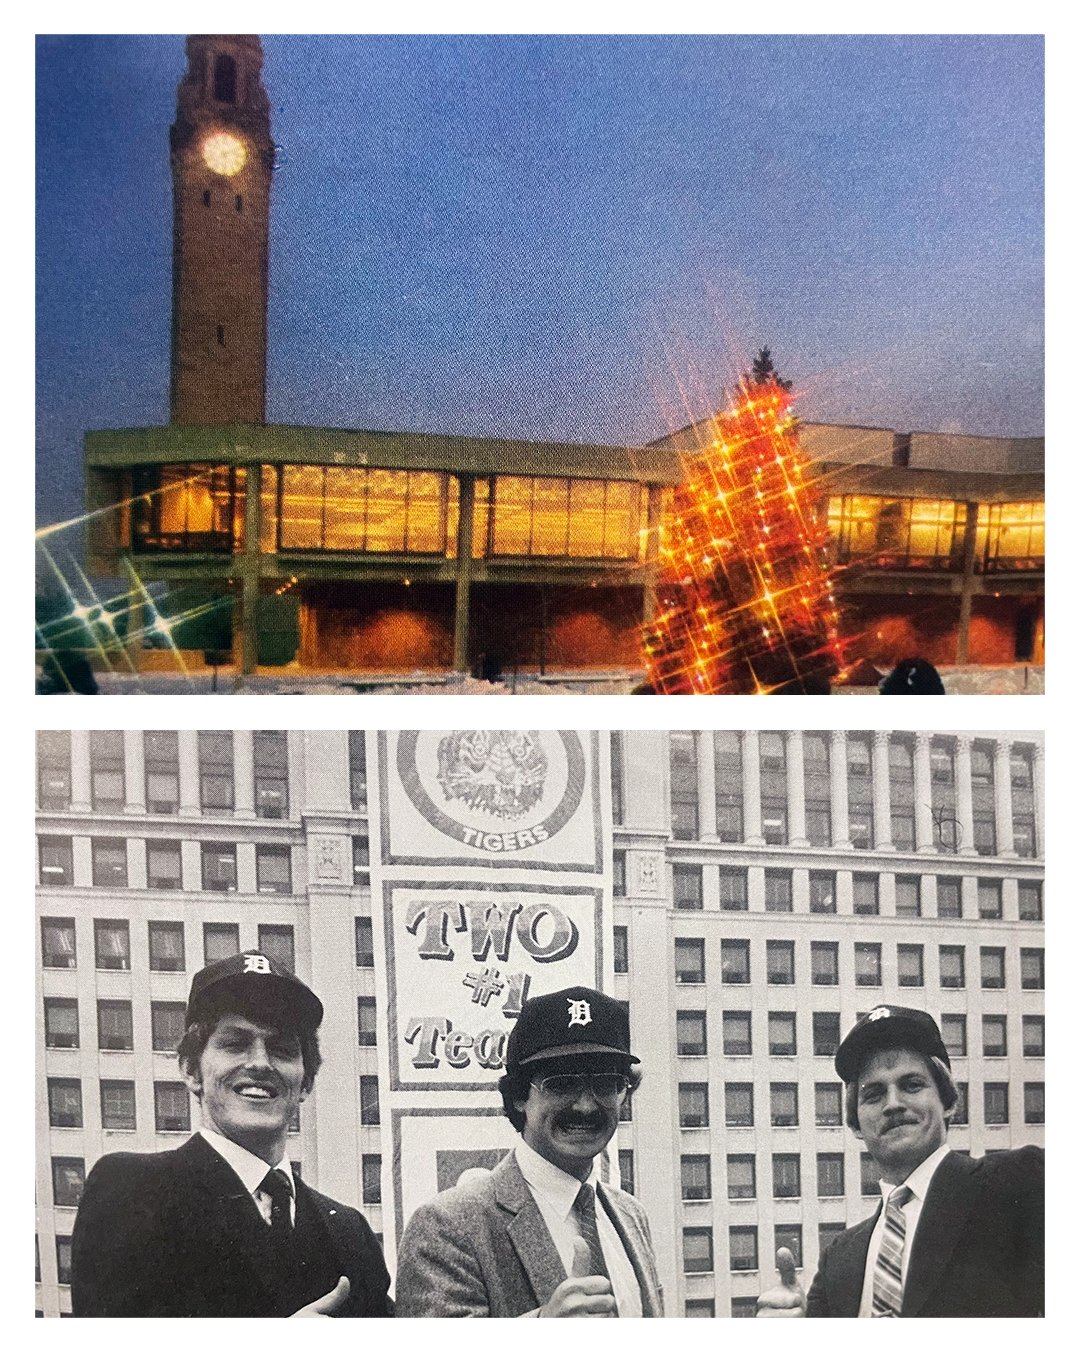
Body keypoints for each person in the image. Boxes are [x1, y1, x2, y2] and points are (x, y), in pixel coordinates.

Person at [71, 951, 392, 1317]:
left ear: (306, 1082)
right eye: (235, 1044)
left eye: (282, 1049)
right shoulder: (130, 1189)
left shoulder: (349, 1230)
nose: (260, 1063)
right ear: (192, 1071)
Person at [757, 1004, 1043, 1318]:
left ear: (947, 1101)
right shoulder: (838, 1259)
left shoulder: (1019, 1182)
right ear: (855, 1123)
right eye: (874, 1093)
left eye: (911, 1085)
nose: (893, 1104)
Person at [395, 985, 663, 1317]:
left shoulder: (630, 1215)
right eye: (561, 1084)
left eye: (606, 1083)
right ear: (520, 1096)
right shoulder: (448, 1226)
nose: (585, 1105)